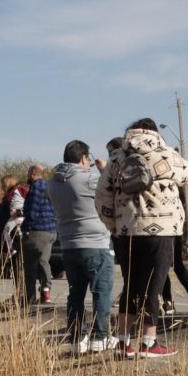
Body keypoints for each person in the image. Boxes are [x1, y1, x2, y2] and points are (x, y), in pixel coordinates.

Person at [96, 117, 188, 358]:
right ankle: (149, 342)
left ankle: (123, 341)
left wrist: (114, 225)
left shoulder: (116, 159)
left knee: (131, 284)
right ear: (154, 133)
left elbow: (102, 196)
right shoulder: (164, 153)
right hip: (161, 230)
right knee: (154, 285)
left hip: (127, 231)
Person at [48, 140, 115, 353]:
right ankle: (100, 336)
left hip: (69, 244)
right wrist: (105, 169)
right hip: (95, 243)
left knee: (75, 293)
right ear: (84, 158)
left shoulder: (52, 183)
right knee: (101, 290)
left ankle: (77, 337)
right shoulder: (89, 180)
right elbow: (114, 187)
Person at [22, 164, 58, 305]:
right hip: (51, 229)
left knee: (30, 264)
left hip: (38, 229)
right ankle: (45, 292)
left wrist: (27, 227)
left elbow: (33, 209)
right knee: (44, 261)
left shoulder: (36, 187)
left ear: (32, 173)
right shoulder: (50, 186)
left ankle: (29, 296)